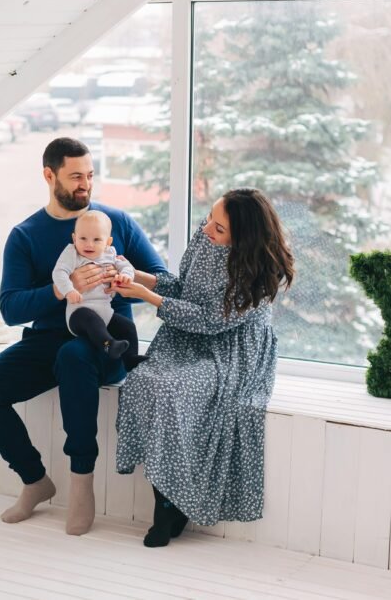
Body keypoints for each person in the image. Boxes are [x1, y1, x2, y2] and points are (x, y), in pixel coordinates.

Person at [0, 137, 167, 536]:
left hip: (105, 340)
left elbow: (162, 279)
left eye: (90, 175)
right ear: (49, 175)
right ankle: (35, 480)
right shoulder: (26, 235)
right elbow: (11, 309)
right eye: (76, 176)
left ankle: (81, 484)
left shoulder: (116, 224)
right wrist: (61, 287)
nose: (85, 185)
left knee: (75, 357)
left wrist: (126, 281)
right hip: (47, 340)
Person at [113, 188, 295, 547]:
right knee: (142, 381)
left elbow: (211, 319)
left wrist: (147, 297)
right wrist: (138, 276)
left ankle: (166, 510)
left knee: (171, 390)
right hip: (186, 335)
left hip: (229, 351)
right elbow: (184, 288)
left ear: (244, 239)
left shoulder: (260, 274)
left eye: (219, 228)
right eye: (210, 218)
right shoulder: (207, 235)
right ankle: (169, 499)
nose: (208, 229)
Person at [51, 210, 148, 371]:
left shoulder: (110, 253)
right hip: (78, 313)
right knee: (90, 319)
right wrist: (69, 290)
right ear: (74, 238)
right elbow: (58, 272)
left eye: (96, 240)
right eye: (83, 238)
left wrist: (125, 276)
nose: (89, 244)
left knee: (127, 326)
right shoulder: (72, 253)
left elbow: (126, 266)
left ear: (108, 242)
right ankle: (108, 345)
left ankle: (130, 359)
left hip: (106, 313)